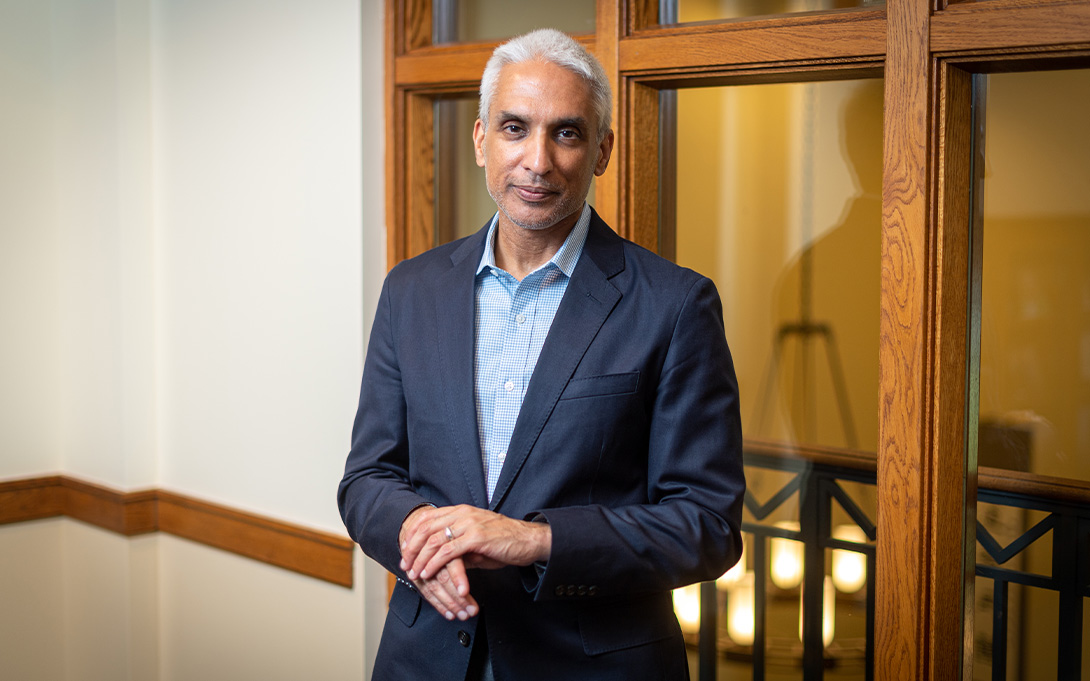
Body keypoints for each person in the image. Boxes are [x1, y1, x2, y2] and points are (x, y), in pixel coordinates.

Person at [338, 27, 744, 681]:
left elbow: (707, 525)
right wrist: (422, 536)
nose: (537, 160)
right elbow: (366, 479)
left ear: (601, 150)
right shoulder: (410, 290)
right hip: (425, 658)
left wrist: (536, 541)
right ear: (480, 139)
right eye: (515, 128)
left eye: (567, 133)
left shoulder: (675, 304)